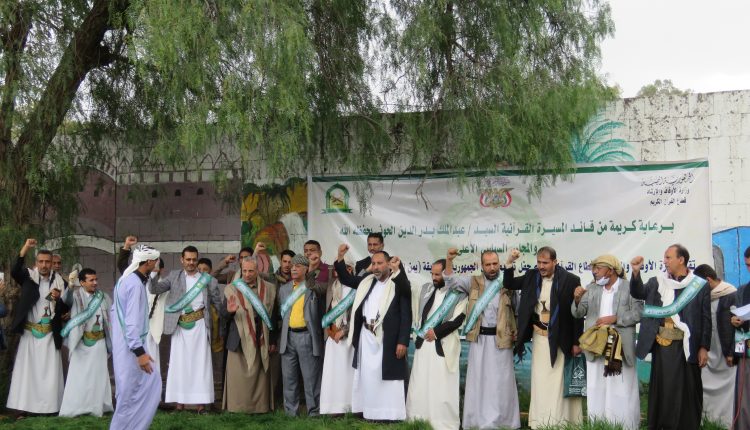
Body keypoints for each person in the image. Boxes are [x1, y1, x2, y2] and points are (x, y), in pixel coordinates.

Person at [629, 244, 711, 430]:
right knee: (664, 389)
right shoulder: (657, 282)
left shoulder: (699, 286)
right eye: (664, 257)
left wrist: (704, 347)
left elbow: (706, 319)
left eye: (668, 257)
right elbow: (638, 292)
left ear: (681, 260)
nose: (664, 261)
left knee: (687, 390)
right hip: (662, 347)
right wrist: (635, 273)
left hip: (687, 347)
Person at [504, 247, 583, 429]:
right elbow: (509, 283)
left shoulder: (571, 280)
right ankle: (540, 423)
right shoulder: (531, 276)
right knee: (541, 383)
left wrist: (576, 342)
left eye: (545, 263)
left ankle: (559, 423)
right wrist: (509, 262)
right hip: (540, 340)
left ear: (555, 262)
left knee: (557, 385)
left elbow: (577, 314)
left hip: (561, 341)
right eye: (539, 262)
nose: (541, 266)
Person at [443, 248, 520, 429]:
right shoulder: (473, 282)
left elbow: (517, 309)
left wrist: (517, 330)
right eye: (488, 264)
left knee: (501, 383)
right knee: (478, 381)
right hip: (479, 340)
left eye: (495, 264)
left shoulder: (508, 282)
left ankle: (505, 422)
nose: (492, 268)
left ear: (499, 264)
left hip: (501, 341)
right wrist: (449, 260)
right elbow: (450, 282)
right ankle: (476, 422)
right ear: (482, 266)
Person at [335, 245, 412, 421]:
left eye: (380, 263)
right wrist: (340, 257)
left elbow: (406, 314)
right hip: (366, 337)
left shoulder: (398, 283)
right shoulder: (367, 281)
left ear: (388, 264)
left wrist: (403, 341)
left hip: (388, 338)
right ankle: (369, 412)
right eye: (374, 263)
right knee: (369, 377)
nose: (376, 267)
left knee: (388, 380)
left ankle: (390, 415)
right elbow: (346, 279)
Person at [571, 255, 642, 430]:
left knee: (621, 387)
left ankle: (624, 425)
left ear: (610, 270)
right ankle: (598, 425)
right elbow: (578, 313)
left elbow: (639, 313)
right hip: (596, 345)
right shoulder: (592, 288)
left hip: (620, 345)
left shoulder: (629, 287)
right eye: (593, 268)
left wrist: (616, 318)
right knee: (596, 386)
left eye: (598, 268)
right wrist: (577, 299)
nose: (594, 272)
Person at [151, 245, 223, 413]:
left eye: (194, 259)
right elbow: (154, 289)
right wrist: (154, 273)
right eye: (188, 259)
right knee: (179, 365)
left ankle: (201, 405)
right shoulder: (173, 276)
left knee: (200, 366)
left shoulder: (208, 280)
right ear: (182, 260)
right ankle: (179, 405)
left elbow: (218, 305)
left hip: (200, 326)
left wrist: (225, 319)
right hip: (179, 327)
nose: (191, 262)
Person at [7, 239, 68, 415]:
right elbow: (14, 270)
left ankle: (50, 409)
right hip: (30, 333)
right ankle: (23, 410)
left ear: (52, 263)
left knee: (49, 373)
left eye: (47, 262)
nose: (44, 265)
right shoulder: (28, 277)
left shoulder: (60, 282)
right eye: (41, 261)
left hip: (50, 334)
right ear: (36, 262)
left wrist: (59, 301)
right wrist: (25, 247)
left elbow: (65, 308)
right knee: (27, 373)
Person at [407, 258, 467, 430]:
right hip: (423, 345)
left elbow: (458, 319)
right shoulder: (425, 289)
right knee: (420, 382)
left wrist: (436, 332)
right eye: (432, 274)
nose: (434, 278)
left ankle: (443, 423)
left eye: (438, 274)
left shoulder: (459, 293)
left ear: (447, 274)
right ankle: (418, 419)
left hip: (443, 344)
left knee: (442, 385)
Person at [110, 244, 162, 430]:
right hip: (130, 347)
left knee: (146, 384)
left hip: (128, 344)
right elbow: (131, 323)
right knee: (129, 393)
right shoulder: (133, 284)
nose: (157, 263)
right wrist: (140, 353)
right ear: (148, 262)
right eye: (155, 260)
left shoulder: (128, 280)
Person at [222, 257, 278, 413]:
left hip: (261, 337)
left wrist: (273, 340)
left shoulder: (269, 288)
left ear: (257, 270)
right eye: (244, 270)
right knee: (238, 377)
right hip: (238, 338)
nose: (247, 274)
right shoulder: (231, 288)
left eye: (251, 271)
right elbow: (222, 315)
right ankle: (237, 408)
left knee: (259, 376)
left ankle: (260, 408)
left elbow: (273, 316)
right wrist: (229, 312)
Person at [277, 254, 330, 416]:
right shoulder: (284, 289)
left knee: (310, 378)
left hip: (306, 336)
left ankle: (313, 411)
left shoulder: (313, 287)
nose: (293, 268)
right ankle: (290, 412)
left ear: (306, 269)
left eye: (298, 266)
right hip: (288, 337)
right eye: (292, 266)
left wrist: (312, 270)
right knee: (289, 378)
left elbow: (317, 287)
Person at [59, 268, 114, 417]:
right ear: (82, 282)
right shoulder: (75, 295)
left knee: (98, 376)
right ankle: (77, 407)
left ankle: (98, 407)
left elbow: (110, 316)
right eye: (91, 280)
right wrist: (70, 285)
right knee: (79, 377)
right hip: (80, 343)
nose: (95, 283)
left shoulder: (103, 296)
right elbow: (65, 302)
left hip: (99, 342)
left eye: (96, 279)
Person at [117, 236, 168, 382]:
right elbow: (124, 267)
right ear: (147, 262)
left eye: (157, 263)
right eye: (153, 261)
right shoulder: (135, 281)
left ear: (161, 269)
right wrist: (127, 247)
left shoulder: (163, 285)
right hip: (135, 330)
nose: (154, 266)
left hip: (152, 328)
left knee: (152, 364)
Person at [693, 264, 736, 428]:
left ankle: (726, 422)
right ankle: (707, 419)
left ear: (708, 280)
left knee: (728, 388)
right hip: (707, 350)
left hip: (726, 352)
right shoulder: (702, 297)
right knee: (704, 383)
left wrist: (731, 351)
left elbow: (738, 328)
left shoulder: (731, 294)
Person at [320, 255, 357, 415]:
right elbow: (328, 310)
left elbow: (357, 316)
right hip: (332, 338)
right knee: (333, 373)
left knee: (346, 373)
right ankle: (332, 407)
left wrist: (344, 331)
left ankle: (348, 407)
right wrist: (330, 330)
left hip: (347, 339)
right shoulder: (332, 286)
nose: (337, 272)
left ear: (350, 269)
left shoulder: (356, 288)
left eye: (342, 268)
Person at [732, 246, 750, 430]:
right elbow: (737, 315)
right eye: (747, 265)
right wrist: (734, 320)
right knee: (744, 398)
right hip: (747, 351)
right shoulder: (743, 290)